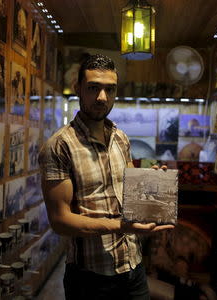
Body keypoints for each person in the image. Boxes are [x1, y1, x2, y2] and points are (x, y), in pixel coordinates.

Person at [39, 54, 173, 300]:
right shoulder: (59, 146)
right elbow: (59, 221)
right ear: (78, 88)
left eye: (109, 89)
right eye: (93, 88)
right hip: (90, 278)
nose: (102, 97)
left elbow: (130, 195)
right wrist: (120, 226)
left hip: (133, 268)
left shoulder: (121, 138)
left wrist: (151, 187)